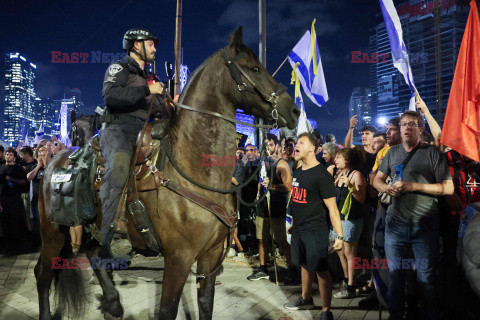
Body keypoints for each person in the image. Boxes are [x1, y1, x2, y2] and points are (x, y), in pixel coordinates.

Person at [373, 111, 454, 320]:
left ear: (421, 129)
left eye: (412, 124)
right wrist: (386, 188)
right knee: (395, 276)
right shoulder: (391, 153)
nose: (407, 128)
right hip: (395, 226)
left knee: (426, 278)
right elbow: (377, 180)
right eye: (403, 124)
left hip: (424, 225)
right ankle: (396, 315)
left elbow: (448, 188)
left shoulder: (432, 153)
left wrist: (413, 186)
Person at [99, 27, 165, 256]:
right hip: (119, 129)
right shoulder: (120, 68)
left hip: (146, 132)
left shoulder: (151, 78)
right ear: (136, 45)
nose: (155, 48)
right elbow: (111, 96)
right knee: (118, 171)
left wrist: (169, 104)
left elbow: (159, 109)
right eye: (151, 44)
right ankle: (103, 242)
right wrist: (147, 89)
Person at [283, 133, 343, 320]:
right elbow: (298, 199)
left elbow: (333, 209)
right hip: (299, 228)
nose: (296, 146)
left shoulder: (322, 175)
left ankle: (326, 311)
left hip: (316, 230)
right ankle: (305, 298)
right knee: (303, 264)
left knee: (321, 270)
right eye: (297, 143)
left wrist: (340, 237)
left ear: (312, 149)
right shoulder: (299, 170)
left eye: (301, 143)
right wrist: (293, 223)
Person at [248, 134, 298, 284]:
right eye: (266, 145)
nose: (268, 149)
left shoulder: (282, 164)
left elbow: (289, 187)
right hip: (263, 206)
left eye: (270, 145)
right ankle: (263, 269)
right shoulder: (264, 162)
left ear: (276, 146)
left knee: (281, 241)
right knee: (262, 239)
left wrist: (273, 185)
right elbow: (261, 180)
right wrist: (258, 192)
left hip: (276, 206)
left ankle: (293, 270)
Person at [331, 147, 367, 299]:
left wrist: (351, 187)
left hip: (351, 219)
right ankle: (346, 280)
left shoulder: (356, 175)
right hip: (339, 219)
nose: (335, 160)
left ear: (347, 160)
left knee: (350, 253)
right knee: (340, 250)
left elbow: (361, 199)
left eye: (339, 157)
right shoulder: (339, 174)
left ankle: (351, 286)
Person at [0, 148, 28, 255]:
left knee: (16, 222)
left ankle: (16, 247)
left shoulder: (18, 168)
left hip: (15, 199)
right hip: (3, 199)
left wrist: (11, 179)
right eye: (7, 154)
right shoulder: (1, 167)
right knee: (5, 223)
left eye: (10, 154)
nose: (8, 156)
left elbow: (23, 182)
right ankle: (7, 247)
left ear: (14, 157)